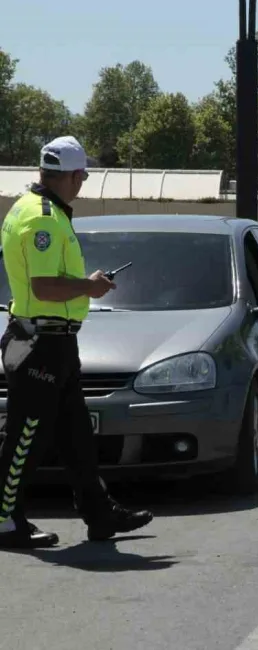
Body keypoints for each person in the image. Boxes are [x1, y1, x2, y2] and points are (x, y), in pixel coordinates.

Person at [0, 136, 153, 549]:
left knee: (76, 437)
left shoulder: (29, 207)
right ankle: (3, 520)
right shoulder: (45, 218)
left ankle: (99, 514)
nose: (84, 180)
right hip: (42, 342)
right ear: (69, 175)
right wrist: (88, 286)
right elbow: (45, 286)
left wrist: (85, 284)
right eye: (82, 173)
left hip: (53, 340)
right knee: (26, 435)